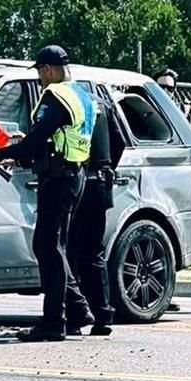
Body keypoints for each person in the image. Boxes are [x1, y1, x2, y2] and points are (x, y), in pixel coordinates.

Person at [0, 44, 95, 341]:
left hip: (58, 179)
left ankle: (53, 323)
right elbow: (55, 137)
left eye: (40, 73)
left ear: (48, 69)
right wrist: (27, 147)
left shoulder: (55, 95)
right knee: (56, 247)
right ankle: (78, 310)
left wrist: (1, 153)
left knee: (46, 247)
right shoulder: (82, 95)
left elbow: (36, 142)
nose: (40, 79)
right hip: (75, 174)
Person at [66, 91, 121, 335]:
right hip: (100, 183)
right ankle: (103, 315)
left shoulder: (65, 100)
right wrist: (105, 165)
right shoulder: (100, 103)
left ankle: (75, 316)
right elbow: (119, 140)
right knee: (94, 252)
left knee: (70, 251)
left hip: (77, 182)